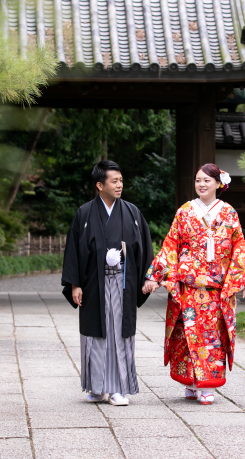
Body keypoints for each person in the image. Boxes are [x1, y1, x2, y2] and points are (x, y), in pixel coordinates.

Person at [143, 163, 245, 405]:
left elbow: (239, 247)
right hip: (188, 288)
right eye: (198, 180)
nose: (202, 184)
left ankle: (207, 386)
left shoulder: (229, 213)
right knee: (186, 336)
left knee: (211, 339)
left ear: (219, 184)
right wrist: (155, 276)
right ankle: (190, 381)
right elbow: (170, 246)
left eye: (207, 180)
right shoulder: (184, 211)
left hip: (215, 291)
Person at [61, 160, 154, 406]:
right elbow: (74, 249)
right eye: (114, 181)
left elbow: (144, 247)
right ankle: (97, 386)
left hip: (123, 283)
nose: (120, 185)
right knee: (96, 333)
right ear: (99, 185)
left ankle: (117, 388)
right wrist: (75, 284)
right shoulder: (84, 213)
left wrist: (148, 277)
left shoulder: (132, 213)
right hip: (94, 283)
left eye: (121, 180)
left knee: (118, 334)